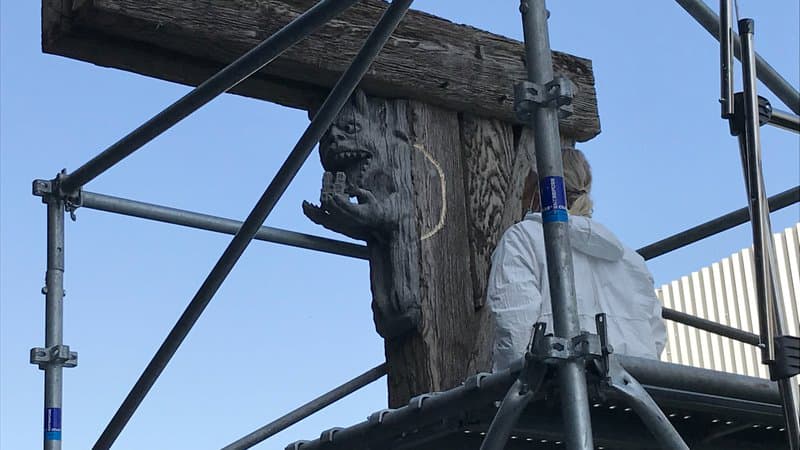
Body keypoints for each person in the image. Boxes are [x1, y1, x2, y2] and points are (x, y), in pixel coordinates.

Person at [487, 147, 667, 371]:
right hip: (633, 395)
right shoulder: (633, 262)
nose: (521, 194)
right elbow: (655, 340)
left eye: (525, 184)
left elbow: (516, 333)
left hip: (554, 392)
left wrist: (509, 394)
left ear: (537, 188)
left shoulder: (522, 239)